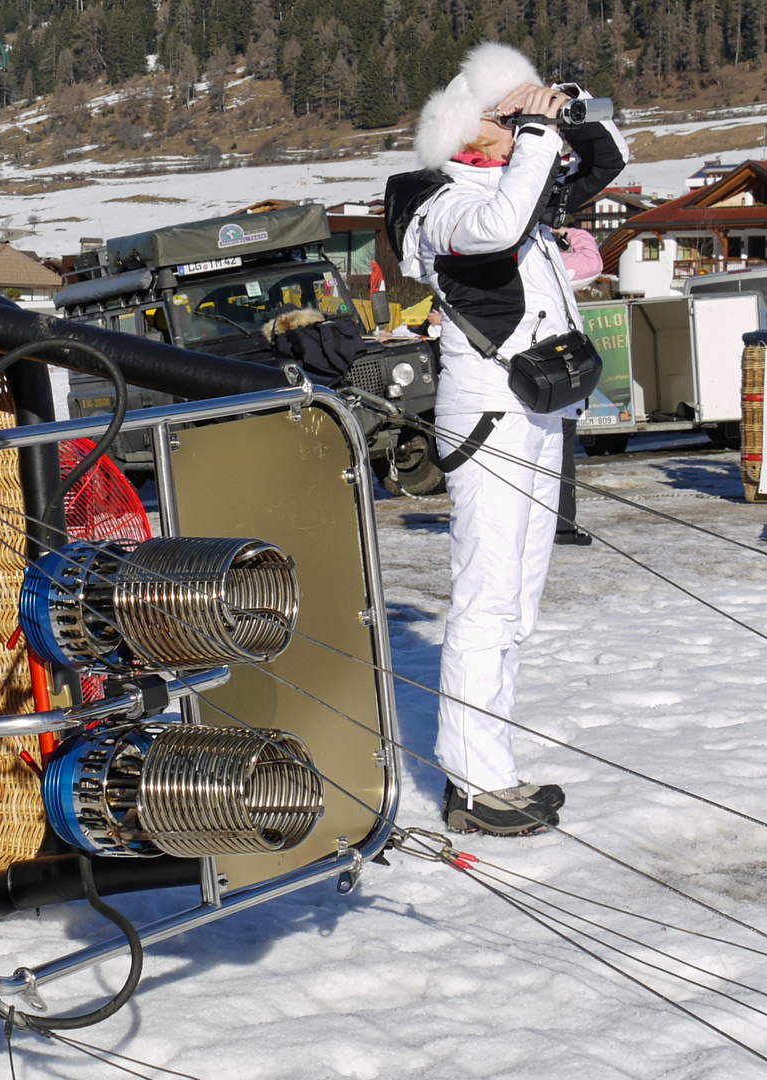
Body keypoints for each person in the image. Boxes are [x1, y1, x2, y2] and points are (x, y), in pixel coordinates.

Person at [388, 42, 626, 836]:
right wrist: (529, 138)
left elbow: (609, 155)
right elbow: (493, 231)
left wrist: (562, 107)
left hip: (539, 406)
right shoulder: (436, 202)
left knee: (517, 603)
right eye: (503, 117)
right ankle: (474, 783)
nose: (520, 129)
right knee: (486, 600)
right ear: (467, 125)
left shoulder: (513, 182)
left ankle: (494, 768)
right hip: (488, 415)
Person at [553, 224, 603, 546]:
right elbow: (592, 263)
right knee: (561, 451)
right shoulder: (549, 262)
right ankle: (562, 526)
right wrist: (569, 231)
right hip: (554, 370)